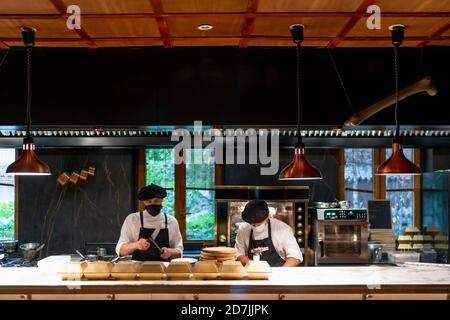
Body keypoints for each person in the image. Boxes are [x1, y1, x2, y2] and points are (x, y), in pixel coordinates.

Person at [115, 183, 183, 261]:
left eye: (156, 201)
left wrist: (170, 252)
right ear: (144, 202)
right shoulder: (132, 220)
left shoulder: (171, 221)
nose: (152, 204)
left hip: (164, 270)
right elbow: (120, 250)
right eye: (149, 201)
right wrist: (136, 245)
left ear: (162, 200)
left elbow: (179, 252)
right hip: (139, 270)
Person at [235, 199, 303, 267]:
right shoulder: (243, 229)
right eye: (253, 225)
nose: (256, 227)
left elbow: (295, 257)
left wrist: (281, 273)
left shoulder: (282, 229)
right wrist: (253, 266)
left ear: (267, 217)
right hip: (253, 272)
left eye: (259, 224)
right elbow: (239, 254)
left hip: (279, 272)